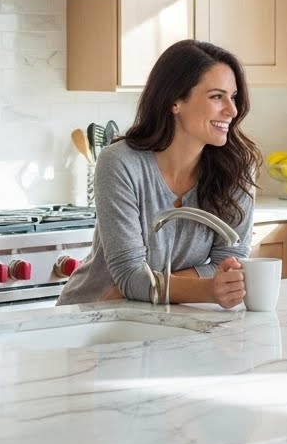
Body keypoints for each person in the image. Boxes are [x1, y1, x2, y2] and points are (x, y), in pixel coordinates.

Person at [57, 40, 261, 309]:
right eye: (216, 96)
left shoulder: (237, 167)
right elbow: (130, 275)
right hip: (94, 314)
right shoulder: (120, 163)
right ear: (175, 101)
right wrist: (205, 288)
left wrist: (148, 286)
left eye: (233, 97)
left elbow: (230, 264)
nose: (232, 110)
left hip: (167, 313)